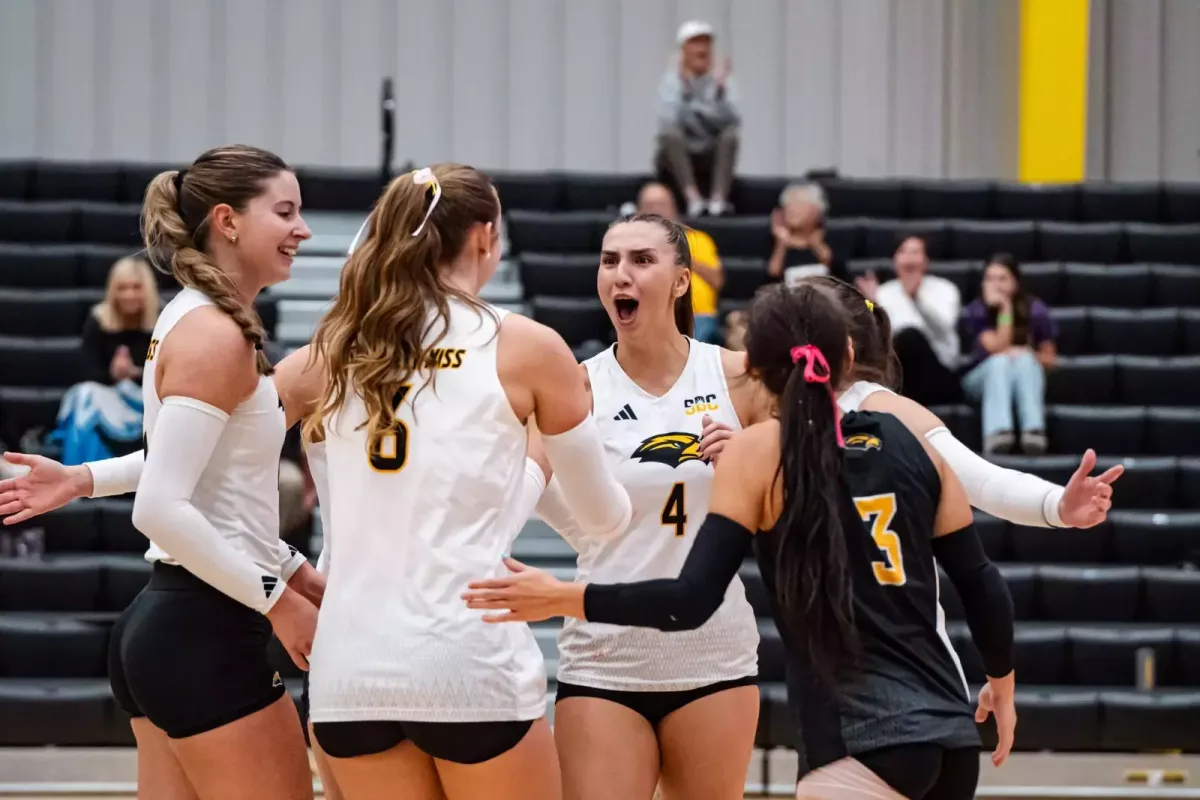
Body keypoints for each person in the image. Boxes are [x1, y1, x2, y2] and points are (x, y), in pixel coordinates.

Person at [465, 282, 1018, 800]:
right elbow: (982, 582)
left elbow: (688, 600)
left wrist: (560, 597)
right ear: (850, 359)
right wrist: (1002, 684)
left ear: (750, 367)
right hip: (951, 737)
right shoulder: (910, 441)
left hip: (859, 741)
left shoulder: (762, 453)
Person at [0, 146, 328, 799]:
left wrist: (81, 478)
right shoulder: (214, 333)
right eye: (285, 212)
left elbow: (197, 470)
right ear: (228, 222)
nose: (304, 229)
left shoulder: (196, 314)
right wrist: (280, 600)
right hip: (202, 628)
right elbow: (159, 508)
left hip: (171, 623)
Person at [301, 163, 632, 800]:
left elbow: (211, 450)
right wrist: (544, 450)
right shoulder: (527, 347)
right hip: (467, 662)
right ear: (485, 237)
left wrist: (90, 479)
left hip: (348, 674)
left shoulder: (335, 346)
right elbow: (602, 520)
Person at [528, 211, 770, 800]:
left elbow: (795, 506)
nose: (621, 275)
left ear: (681, 281)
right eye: (610, 261)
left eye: (641, 260)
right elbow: (519, 493)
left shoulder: (739, 377)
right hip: (604, 655)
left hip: (713, 654)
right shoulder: (576, 387)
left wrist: (751, 459)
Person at [808, 275, 1119, 531]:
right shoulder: (768, 411)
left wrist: (1057, 504)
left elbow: (985, 483)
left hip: (887, 601)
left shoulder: (876, 405)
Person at [44, 256, 160, 465]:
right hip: (108, 396)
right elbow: (85, 370)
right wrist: (113, 375)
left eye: (136, 287)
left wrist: (135, 374)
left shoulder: (163, 319)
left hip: (147, 401)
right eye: (122, 288)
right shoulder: (98, 319)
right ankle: (80, 470)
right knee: (84, 396)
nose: (129, 295)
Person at [960, 254, 1058, 455]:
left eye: (1002, 279)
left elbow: (1050, 359)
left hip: (1022, 375)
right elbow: (996, 346)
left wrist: (1027, 354)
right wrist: (1005, 308)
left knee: (1024, 360)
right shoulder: (976, 310)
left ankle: (1033, 431)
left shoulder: (1035, 310)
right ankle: (998, 433)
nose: (995, 285)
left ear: (1016, 282)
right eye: (990, 279)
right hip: (979, 380)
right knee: (1000, 361)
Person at [858, 235, 962, 406]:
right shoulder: (883, 293)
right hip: (900, 374)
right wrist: (873, 307)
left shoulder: (945, 289)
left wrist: (916, 298)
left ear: (926, 260)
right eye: (903, 252)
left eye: (915, 252)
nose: (909, 258)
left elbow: (944, 327)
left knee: (910, 336)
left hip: (938, 374)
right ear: (895, 260)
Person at [655, 20, 740, 217]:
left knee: (730, 136)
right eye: (695, 43)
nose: (701, 49)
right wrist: (688, 95)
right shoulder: (671, 82)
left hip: (710, 150)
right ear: (684, 51)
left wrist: (719, 94)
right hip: (681, 152)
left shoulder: (722, 81)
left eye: (706, 44)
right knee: (669, 135)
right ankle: (693, 198)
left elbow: (733, 121)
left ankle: (718, 200)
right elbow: (670, 120)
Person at [636, 182, 725, 344]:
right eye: (650, 205)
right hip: (650, 317)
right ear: (639, 212)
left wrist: (679, 255)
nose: (656, 210)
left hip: (698, 317)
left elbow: (717, 281)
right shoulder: (631, 246)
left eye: (662, 204)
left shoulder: (698, 239)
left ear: (673, 209)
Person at [766, 182, 842, 286]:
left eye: (799, 205)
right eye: (788, 205)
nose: (792, 210)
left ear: (817, 212)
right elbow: (772, 276)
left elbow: (839, 274)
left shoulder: (829, 238)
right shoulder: (775, 240)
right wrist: (781, 245)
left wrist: (817, 246)